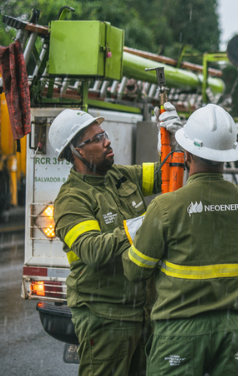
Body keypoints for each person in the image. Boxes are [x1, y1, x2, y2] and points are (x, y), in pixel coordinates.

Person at [122, 104, 238, 376]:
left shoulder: (166, 207)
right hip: (231, 329)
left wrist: (130, 234)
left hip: (179, 331)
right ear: (227, 155)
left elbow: (135, 270)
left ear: (186, 154)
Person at [50, 104, 182, 376]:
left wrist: (176, 143)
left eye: (104, 134)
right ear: (75, 152)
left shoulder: (119, 175)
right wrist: (144, 223)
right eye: (96, 139)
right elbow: (93, 250)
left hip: (142, 311)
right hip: (104, 316)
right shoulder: (72, 199)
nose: (107, 141)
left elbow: (169, 176)